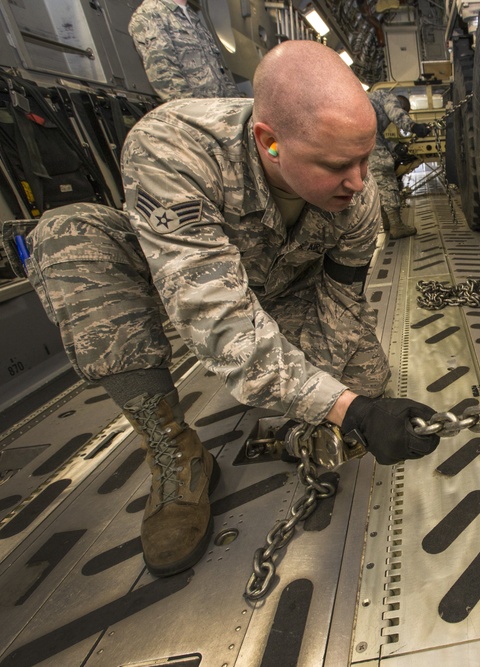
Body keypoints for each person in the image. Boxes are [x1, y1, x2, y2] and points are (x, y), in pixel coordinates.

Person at [23, 41, 439, 578]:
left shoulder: (357, 199)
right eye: (337, 165)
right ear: (269, 144)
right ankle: (176, 455)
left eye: (365, 158)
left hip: (280, 288)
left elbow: (341, 301)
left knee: (367, 376)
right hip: (182, 283)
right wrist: (349, 411)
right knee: (70, 239)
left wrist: (347, 393)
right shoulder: (172, 149)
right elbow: (219, 319)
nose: (360, 182)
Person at [129, 0, 242, 101]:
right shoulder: (149, 14)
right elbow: (167, 79)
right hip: (199, 115)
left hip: (221, 111)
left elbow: (220, 73)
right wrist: (196, 116)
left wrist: (237, 106)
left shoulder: (193, 17)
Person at [367, 90, 432, 239]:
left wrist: (395, 147)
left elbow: (378, 137)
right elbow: (396, 114)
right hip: (364, 135)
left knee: (373, 179)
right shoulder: (386, 96)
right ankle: (397, 225)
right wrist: (414, 127)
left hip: (353, 137)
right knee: (384, 172)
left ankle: (386, 220)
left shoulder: (371, 103)